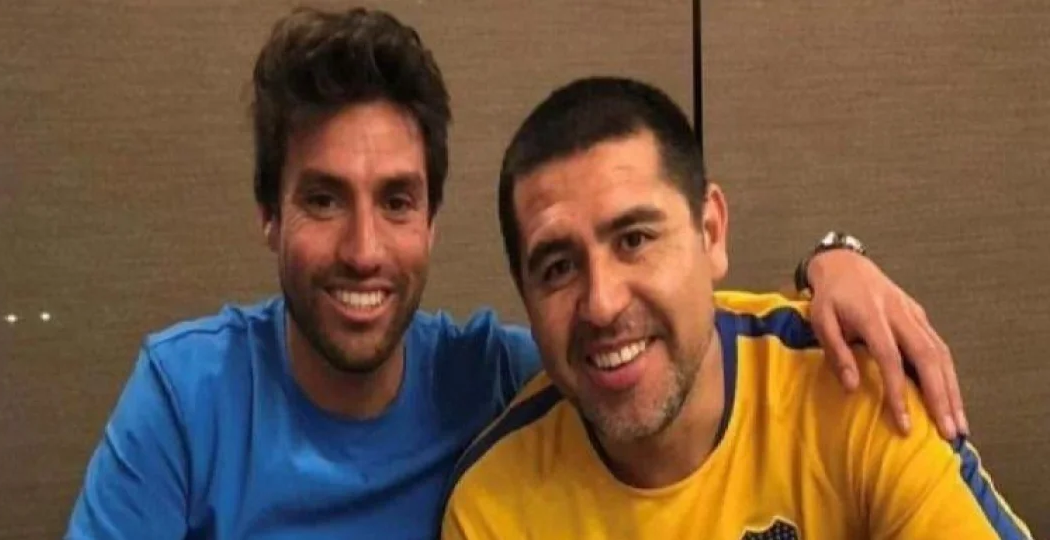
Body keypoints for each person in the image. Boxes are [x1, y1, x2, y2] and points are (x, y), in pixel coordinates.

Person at [67, 7, 969, 539]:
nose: (363, 250)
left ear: (431, 220)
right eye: (323, 200)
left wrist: (831, 263)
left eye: (397, 200)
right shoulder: (186, 398)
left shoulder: (503, 376)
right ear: (268, 214)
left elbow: (667, 331)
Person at [440, 76, 1032, 539]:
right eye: (558, 268)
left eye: (635, 240)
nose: (602, 303)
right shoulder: (493, 507)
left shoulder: (853, 386)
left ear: (711, 231)